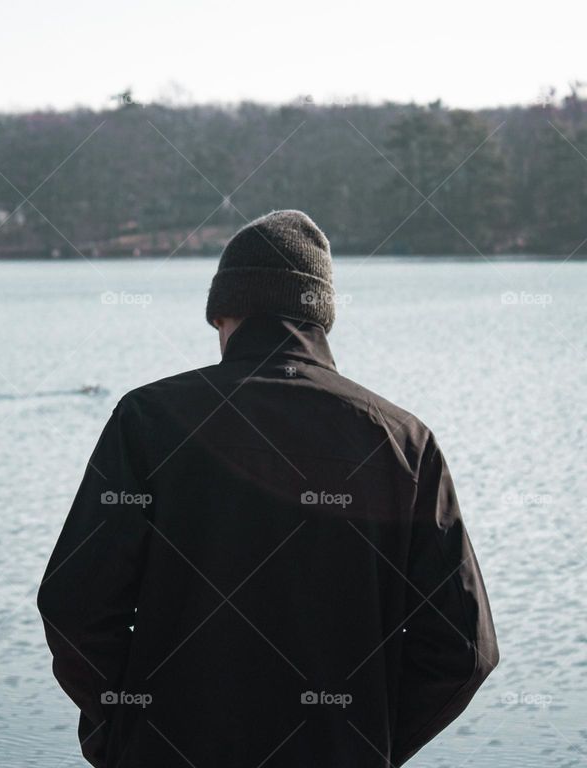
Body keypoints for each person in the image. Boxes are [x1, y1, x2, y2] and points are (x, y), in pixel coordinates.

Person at [37, 210, 498, 767]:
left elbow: (74, 606)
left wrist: (125, 730)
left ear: (223, 312)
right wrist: (364, 743)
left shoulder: (148, 420)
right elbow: (463, 649)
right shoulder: (403, 443)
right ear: (322, 318)